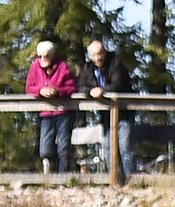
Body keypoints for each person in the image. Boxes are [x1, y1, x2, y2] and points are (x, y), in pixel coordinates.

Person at [24, 37, 76, 173]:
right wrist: (40, 91)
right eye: (40, 56)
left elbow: (71, 87)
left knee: (63, 147)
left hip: (63, 111)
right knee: (45, 147)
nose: (43, 58)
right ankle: (47, 175)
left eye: (46, 56)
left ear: (52, 55)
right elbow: (29, 87)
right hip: (45, 113)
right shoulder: (34, 67)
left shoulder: (63, 67)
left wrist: (58, 92)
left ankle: (63, 176)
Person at [80, 39, 128, 175]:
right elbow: (81, 86)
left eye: (99, 54)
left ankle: (131, 179)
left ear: (104, 52)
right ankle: (113, 178)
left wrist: (102, 91)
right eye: (94, 55)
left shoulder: (115, 63)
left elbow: (119, 83)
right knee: (107, 147)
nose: (97, 58)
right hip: (106, 113)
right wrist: (91, 91)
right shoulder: (88, 68)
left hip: (124, 111)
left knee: (125, 146)